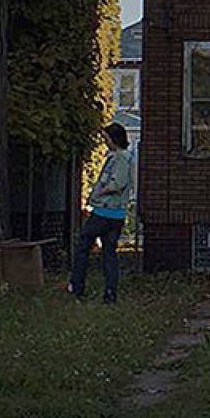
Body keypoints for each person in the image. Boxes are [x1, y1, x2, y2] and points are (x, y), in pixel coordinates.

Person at [69, 123, 133, 304]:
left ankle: (77, 286)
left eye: (106, 139)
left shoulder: (120, 158)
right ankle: (110, 294)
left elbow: (118, 183)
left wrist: (100, 191)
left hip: (104, 212)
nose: (105, 143)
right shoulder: (122, 157)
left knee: (83, 245)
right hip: (116, 215)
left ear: (115, 139)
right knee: (109, 253)